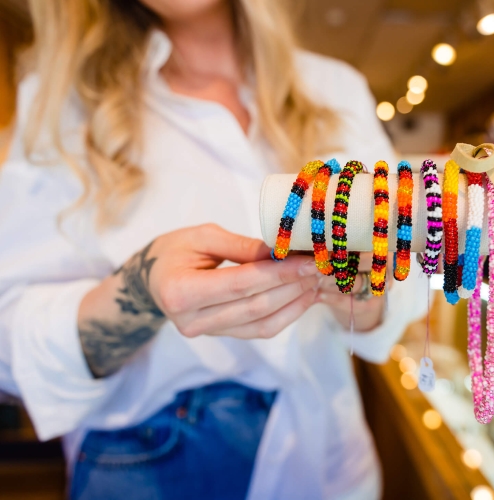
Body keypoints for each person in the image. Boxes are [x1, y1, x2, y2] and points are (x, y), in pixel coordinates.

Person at [0, 0, 425, 498]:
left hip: (324, 458)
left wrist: (364, 287)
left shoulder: (338, 90)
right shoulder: (60, 103)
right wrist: (140, 291)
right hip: (149, 465)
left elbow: (405, 288)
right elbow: (11, 344)